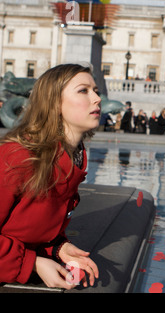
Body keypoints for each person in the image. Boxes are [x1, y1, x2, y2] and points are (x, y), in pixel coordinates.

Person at [0, 64, 99, 289]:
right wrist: (33, 263)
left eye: (96, 91)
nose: (97, 98)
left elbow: (25, 230)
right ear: (55, 103)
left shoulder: (73, 160)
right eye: (83, 90)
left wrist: (57, 248)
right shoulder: (16, 158)